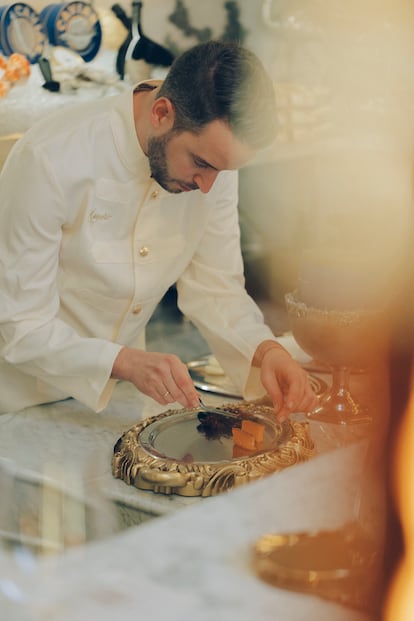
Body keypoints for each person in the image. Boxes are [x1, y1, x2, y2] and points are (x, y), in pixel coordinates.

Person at [0, 40, 317, 420]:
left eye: (222, 170)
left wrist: (266, 351)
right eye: (199, 162)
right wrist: (125, 362)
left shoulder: (212, 169)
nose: (207, 187)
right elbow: (21, 325)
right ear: (162, 113)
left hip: (114, 401)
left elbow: (216, 288)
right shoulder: (49, 157)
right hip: (16, 404)